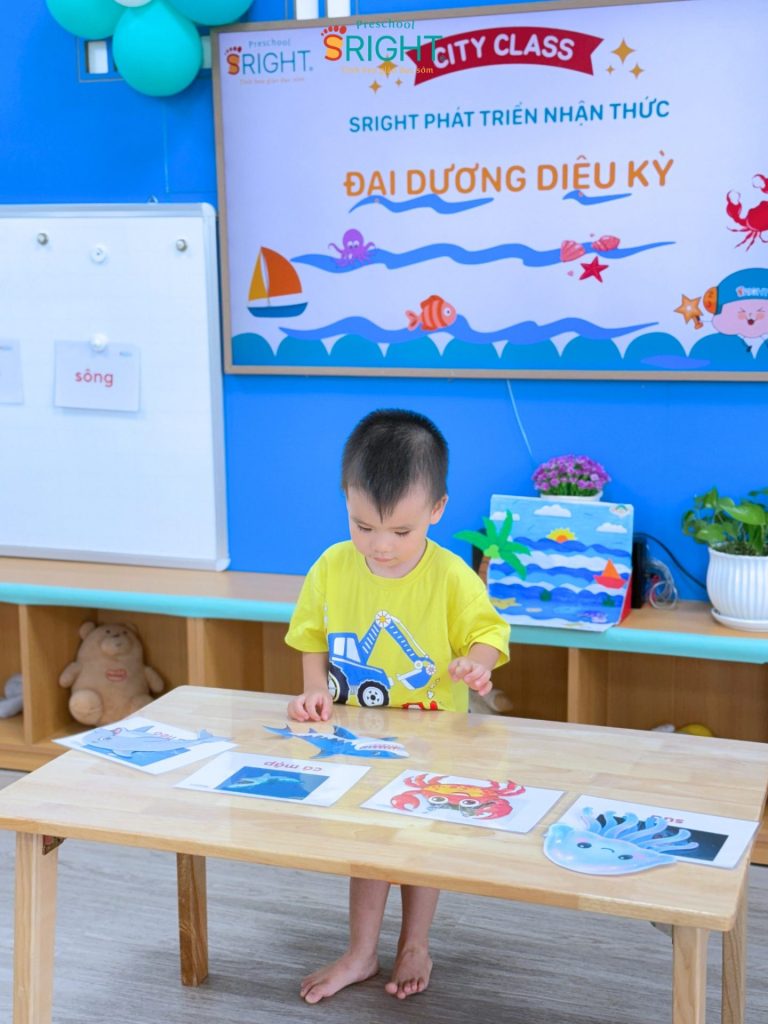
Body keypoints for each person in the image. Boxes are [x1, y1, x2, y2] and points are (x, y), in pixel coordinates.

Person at [284, 408, 510, 1004]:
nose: (380, 546)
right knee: (368, 843)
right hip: (357, 738)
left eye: (401, 532)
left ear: (437, 509)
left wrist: (477, 663)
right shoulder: (332, 566)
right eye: (363, 526)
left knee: (420, 842)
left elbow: (489, 632)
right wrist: (314, 689)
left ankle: (415, 943)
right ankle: (361, 951)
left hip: (435, 740)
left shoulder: (453, 576)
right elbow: (310, 635)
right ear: (346, 498)